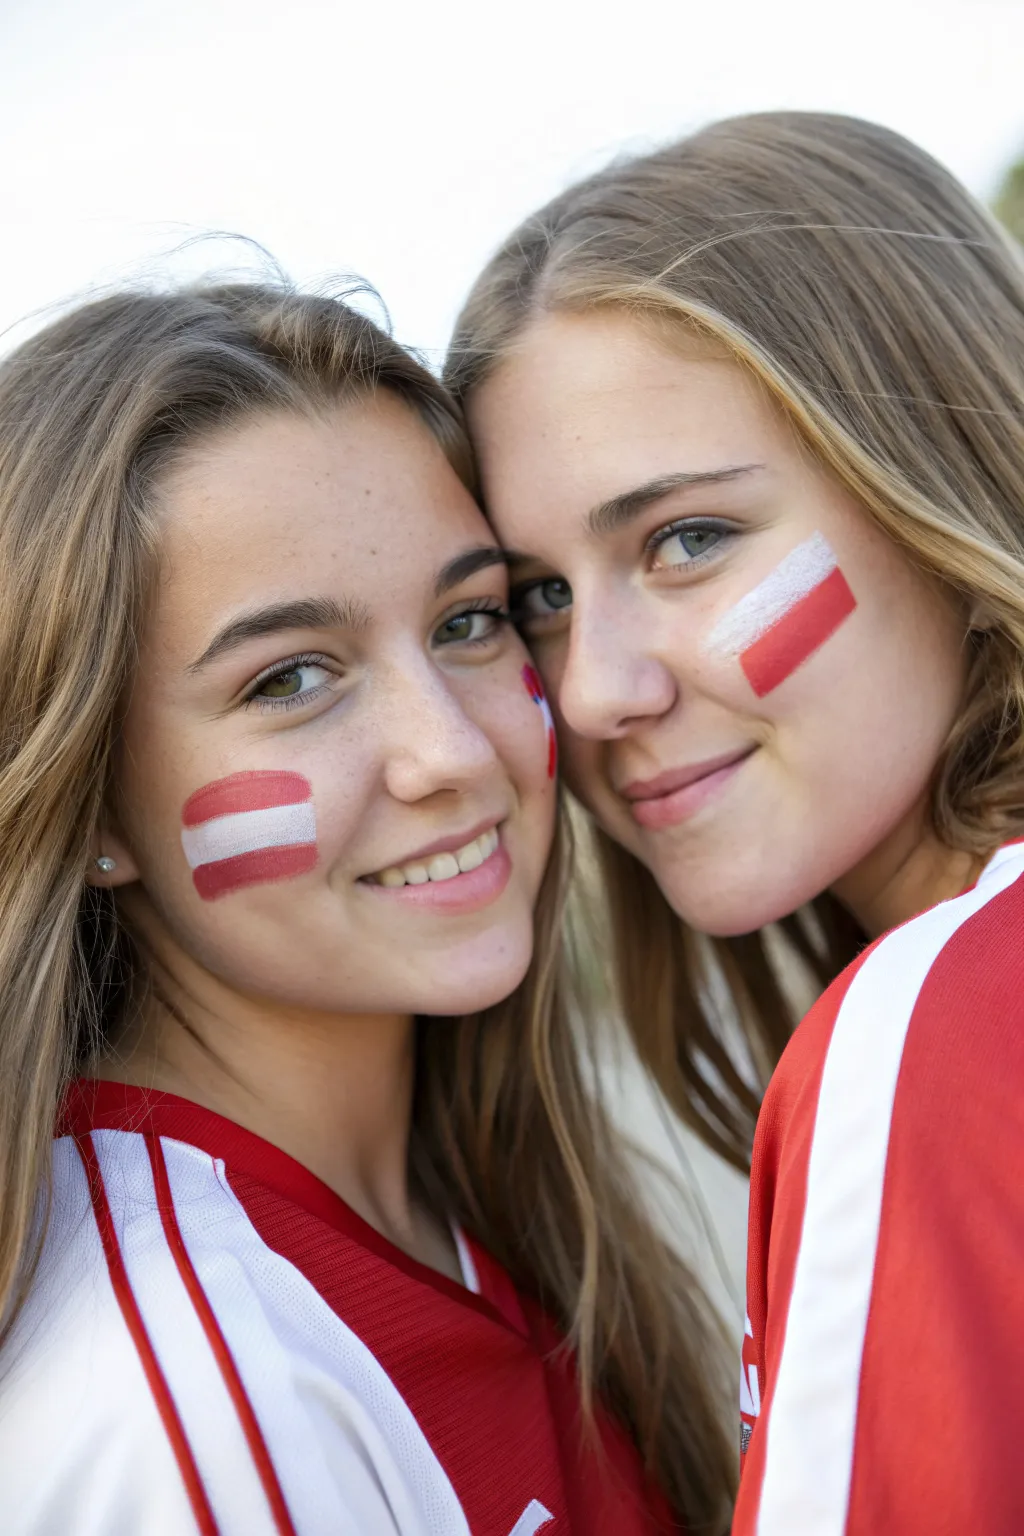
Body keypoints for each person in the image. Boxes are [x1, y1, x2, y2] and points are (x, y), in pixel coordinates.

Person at [0, 283, 735, 1534]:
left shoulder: (480, 1201)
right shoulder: (199, 1415)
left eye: (469, 621)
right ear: (96, 810)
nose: (448, 751)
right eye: (291, 677)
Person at [446, 112, 1024, 1533]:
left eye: (687, 540)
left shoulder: (934, 1029)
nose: (592, 693)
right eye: (540, 600)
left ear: (930, 477)